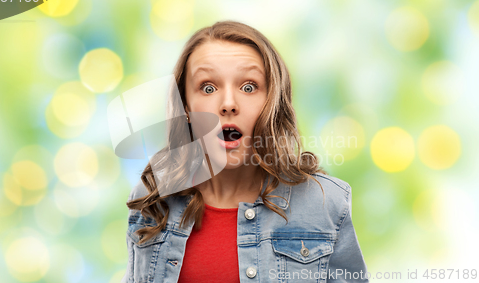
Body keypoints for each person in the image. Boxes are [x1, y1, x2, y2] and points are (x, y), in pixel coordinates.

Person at [121, 20, 369, 283]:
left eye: (249, 87)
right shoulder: (152, 196)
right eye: (208, 87)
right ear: (186, 108)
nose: (228, 104)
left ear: (271, 102)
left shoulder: (326, 202)